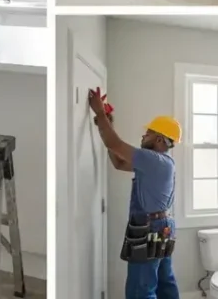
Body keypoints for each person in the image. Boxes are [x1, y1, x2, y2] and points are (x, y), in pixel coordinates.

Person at [88, 88, 180, 299]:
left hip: (150, 228)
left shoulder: (152, 160)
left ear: (159, 139)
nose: (143, 135)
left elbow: (116, 144)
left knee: (141, 290)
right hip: (162, 226)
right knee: (165, 283)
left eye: (147, 133)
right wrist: (106, 123)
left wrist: (101, 114)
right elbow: (119, 162)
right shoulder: (160, 163)